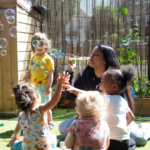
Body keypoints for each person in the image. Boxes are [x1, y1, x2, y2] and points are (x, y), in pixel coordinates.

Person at [59, 45, 136, 149]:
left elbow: (127, 116)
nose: (91, 56)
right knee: (63, 127)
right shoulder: (85, 74)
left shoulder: (115, 79)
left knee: (138, 137)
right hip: (93, 121)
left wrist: (117, 130)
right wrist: (71, 72)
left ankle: (144, 129)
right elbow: (69, 96)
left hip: (118, 122)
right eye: (92, 53)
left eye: (96, 54)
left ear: (106, 60)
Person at [9, 73, 69, 150]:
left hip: (27, 148)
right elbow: (54, 101)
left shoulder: (21, 115)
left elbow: (16, 133)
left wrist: (16, 139)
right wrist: (60, 84)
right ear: (35, 98)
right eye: (38, 93)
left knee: (12, 142)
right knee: (53, 137)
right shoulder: (39, 109)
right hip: (44, 147)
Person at [23, 32, 55, 129]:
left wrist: (49, 87)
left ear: (46, 45)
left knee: (46, 105)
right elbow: (31, 68)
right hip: (33, 86)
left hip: (44, 86)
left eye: (41, 43)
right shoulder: (32, 58)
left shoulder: (48, 59)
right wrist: (26, 73)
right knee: (35, 105)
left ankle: (50, 122)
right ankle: (39, 121)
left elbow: (50, 74)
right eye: (36, 43)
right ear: (33, 46)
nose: (39, 46)